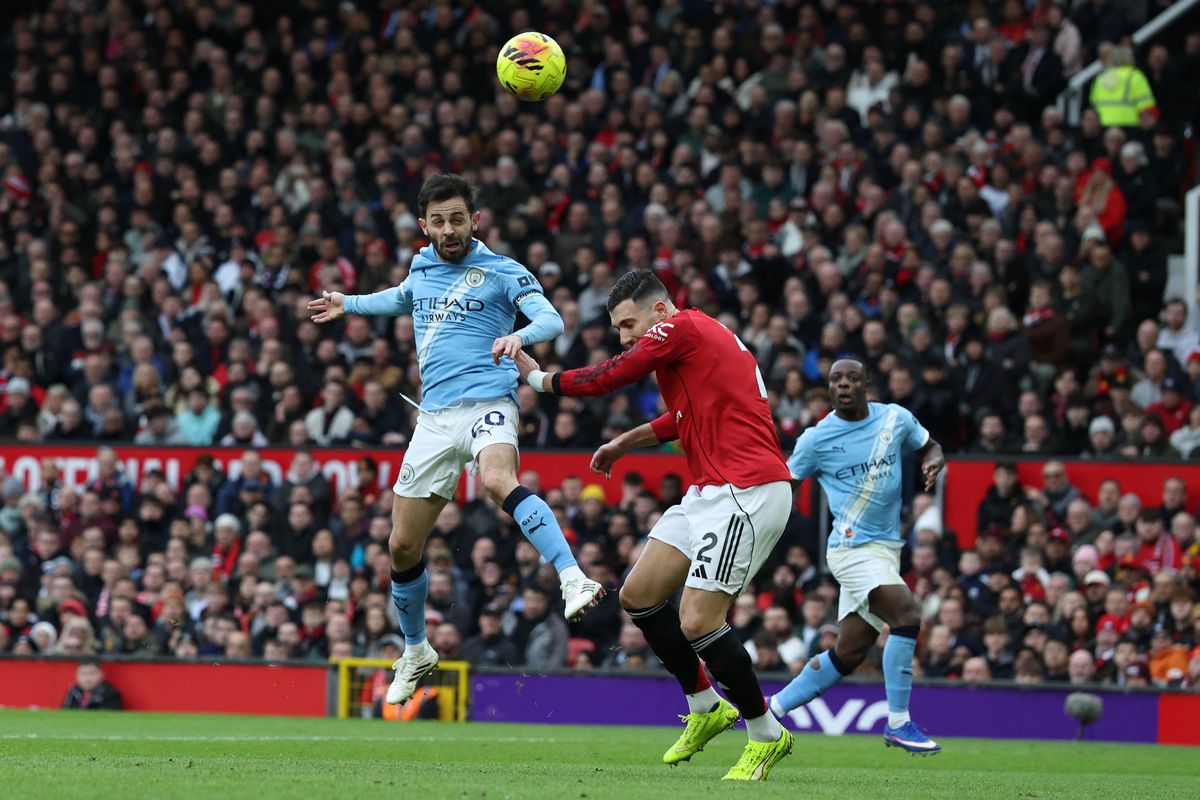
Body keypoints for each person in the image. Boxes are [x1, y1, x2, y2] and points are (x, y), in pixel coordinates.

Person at [308, 174, 603, 706]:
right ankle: (416, 650)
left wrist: (518, 335)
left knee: (497, 479)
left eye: (458, 219)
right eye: (439, 221)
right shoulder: (421, 267)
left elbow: (552, 319)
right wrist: (347, 303)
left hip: (489, 402)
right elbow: (400, 298)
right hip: (434, 419)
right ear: (425, 226)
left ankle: (571, 577)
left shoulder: (503, 270)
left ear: (475, 220)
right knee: (401, 545)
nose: (449, 230)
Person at [514, 269, 794, 781]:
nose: (625, 338)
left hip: (747, 490)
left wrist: (539, 379)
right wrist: (624, 442)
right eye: (618, 329)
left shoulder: (679, 327)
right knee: (639, 595)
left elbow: (609, 376)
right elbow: (682, 417)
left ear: (659, 310)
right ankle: (706, 705)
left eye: (629, 324)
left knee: (698, 621)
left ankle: (765, 733)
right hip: (709, 491)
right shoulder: (698, 341)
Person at [773, 358, 945, 753]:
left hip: (886, 550)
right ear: (830, 388)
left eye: (852, 378)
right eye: (836, 379)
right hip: (850, 549)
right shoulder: (816, 439)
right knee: (907, 614)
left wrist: (934, 460)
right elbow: (785, 486)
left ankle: (769, 709)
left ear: (867, 384)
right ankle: (898, 723)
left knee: (849, 652)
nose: (844, 385)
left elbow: (930, 446)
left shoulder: (894, 419)